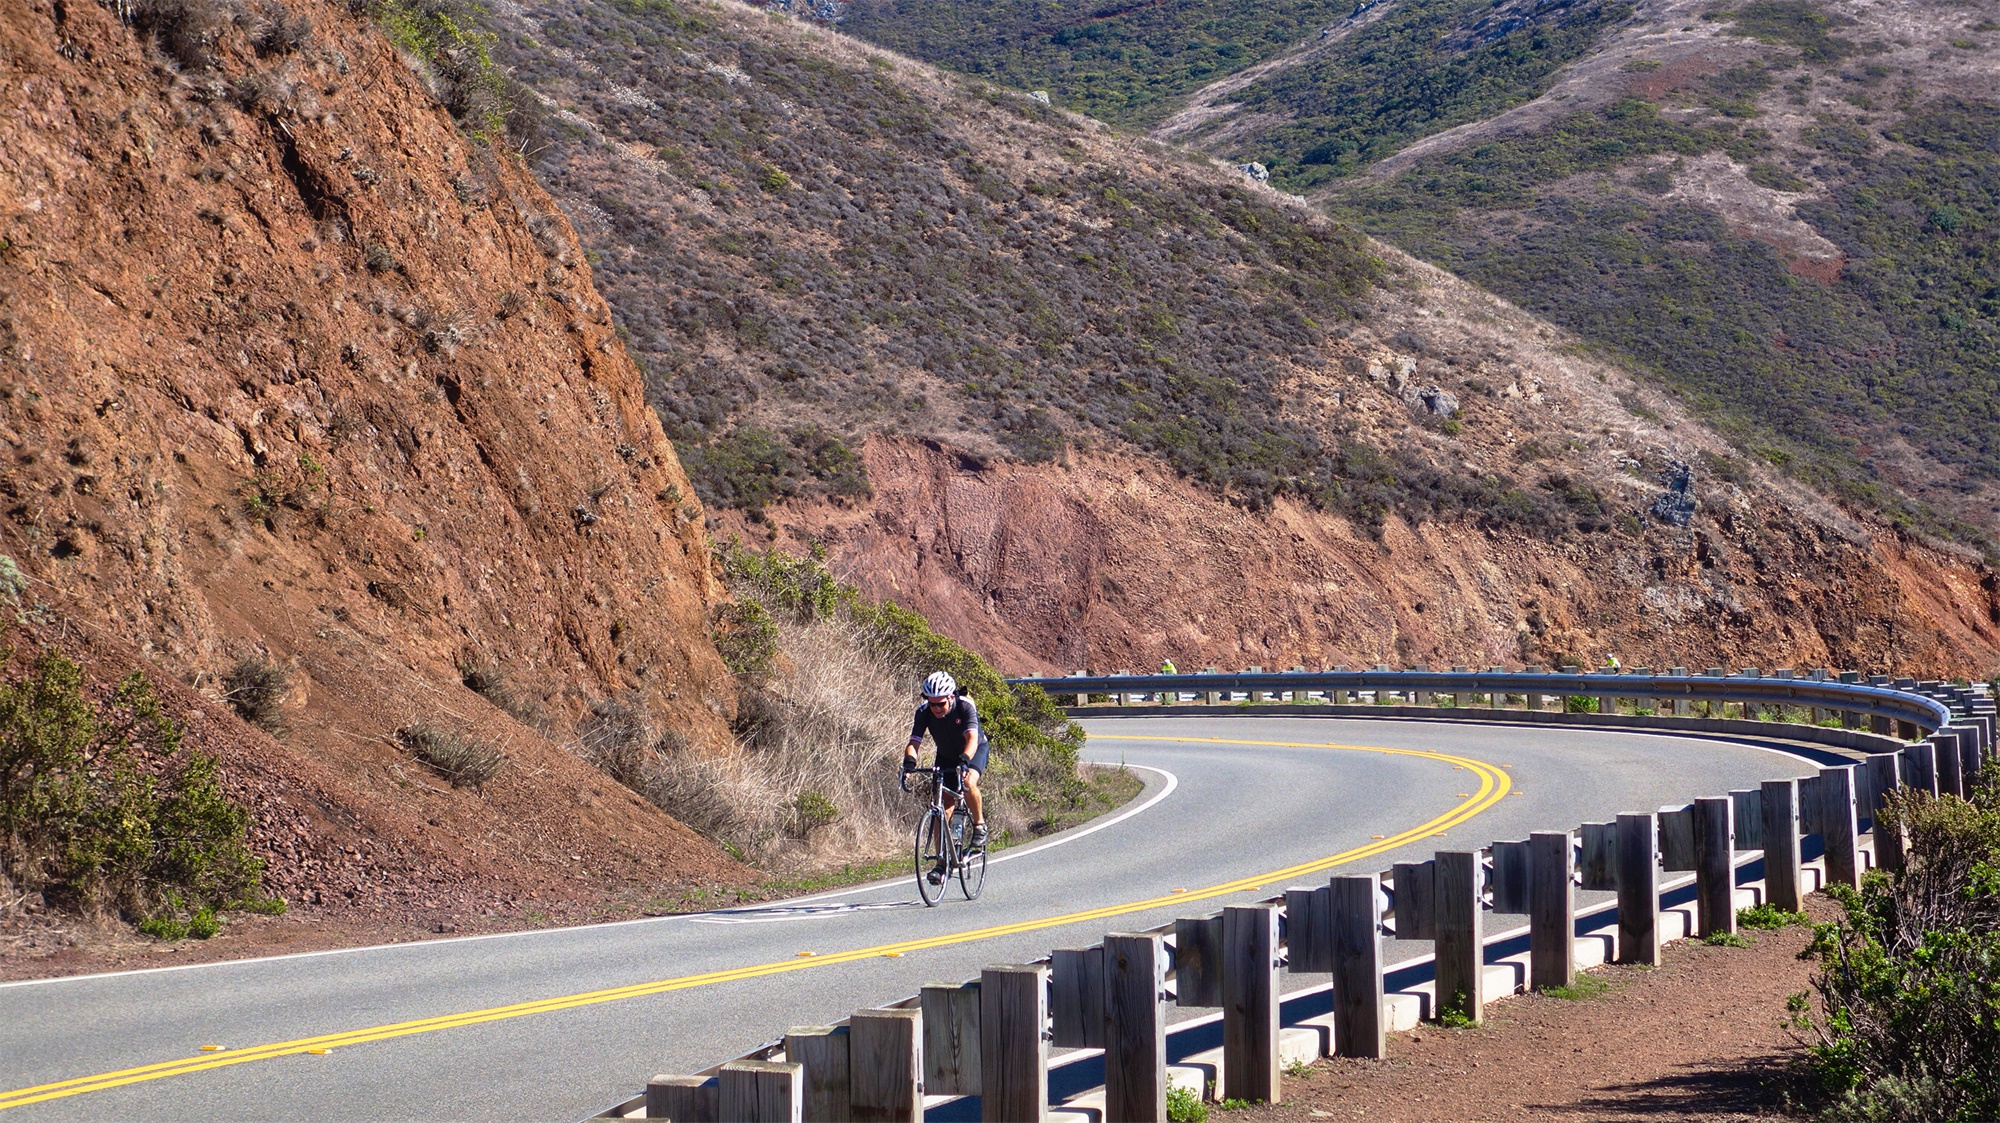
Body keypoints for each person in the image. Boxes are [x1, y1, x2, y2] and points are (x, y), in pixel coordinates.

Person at [903, 671, 989, 881]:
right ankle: (942, 863)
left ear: (951, 697)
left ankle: (979, 826)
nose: (936, 709)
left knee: (968, 782)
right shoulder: (923, 712)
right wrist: (909, 764)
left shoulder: (965, 706)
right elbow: (914, 743)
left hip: (974, 750)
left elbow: (972, 738)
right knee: (940, 805)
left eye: (940, 704)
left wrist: (965, 760)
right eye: (932, 704)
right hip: (945, 755)